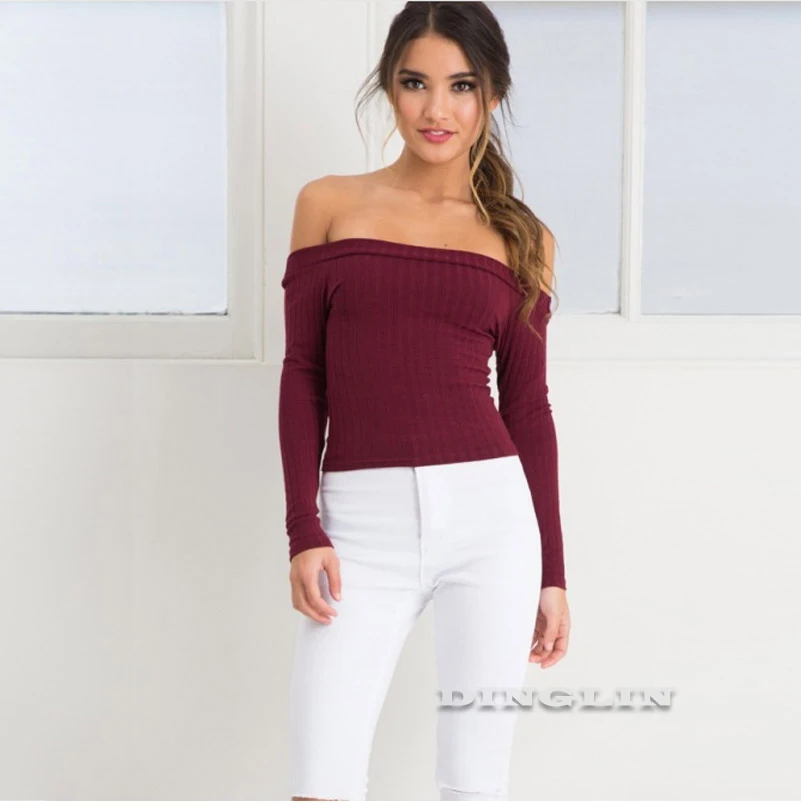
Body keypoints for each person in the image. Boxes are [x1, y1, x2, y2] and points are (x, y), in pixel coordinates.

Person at [278, 2, 571, 801]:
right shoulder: (328, 204)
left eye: (460, 86)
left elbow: (528, 409)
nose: (436, 109)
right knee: (320, 777)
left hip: (491, 522)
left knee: (474, 784)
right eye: (414, 83)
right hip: (357, 527)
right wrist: (304, 529)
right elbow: (303, 373)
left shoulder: (523, 238)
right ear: (388, 87)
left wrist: (551, 573)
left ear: (492, 95)